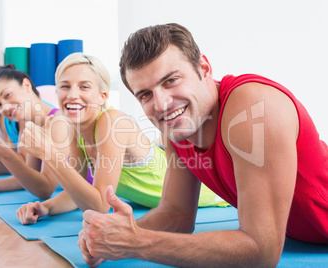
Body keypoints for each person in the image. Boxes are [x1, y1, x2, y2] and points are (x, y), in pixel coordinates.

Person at [78, 23, 328, 267]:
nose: (162, 103)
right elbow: (176, 214)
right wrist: (109, 237)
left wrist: (136, 242)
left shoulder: (254, 109)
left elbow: (261, 250)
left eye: (171, 80)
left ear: (204, 68)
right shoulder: (177, 126)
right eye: (145, 94)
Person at [15, 53, 168, 224]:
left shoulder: (112, 121)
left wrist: (48, 153)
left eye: (84, 87)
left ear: (102, 96)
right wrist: (45, 208)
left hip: (198, 195)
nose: (72, 95)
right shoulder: (75, 129)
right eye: (65, 86)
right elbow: (76, 193)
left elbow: (100, 206)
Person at [0, 65, 60, 199]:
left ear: (26, 85)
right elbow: (30, 176)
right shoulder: (33, 126)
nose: (5, 107)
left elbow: (45, 189)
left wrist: (3, 152)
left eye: (7, 95)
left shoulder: (55, 122)